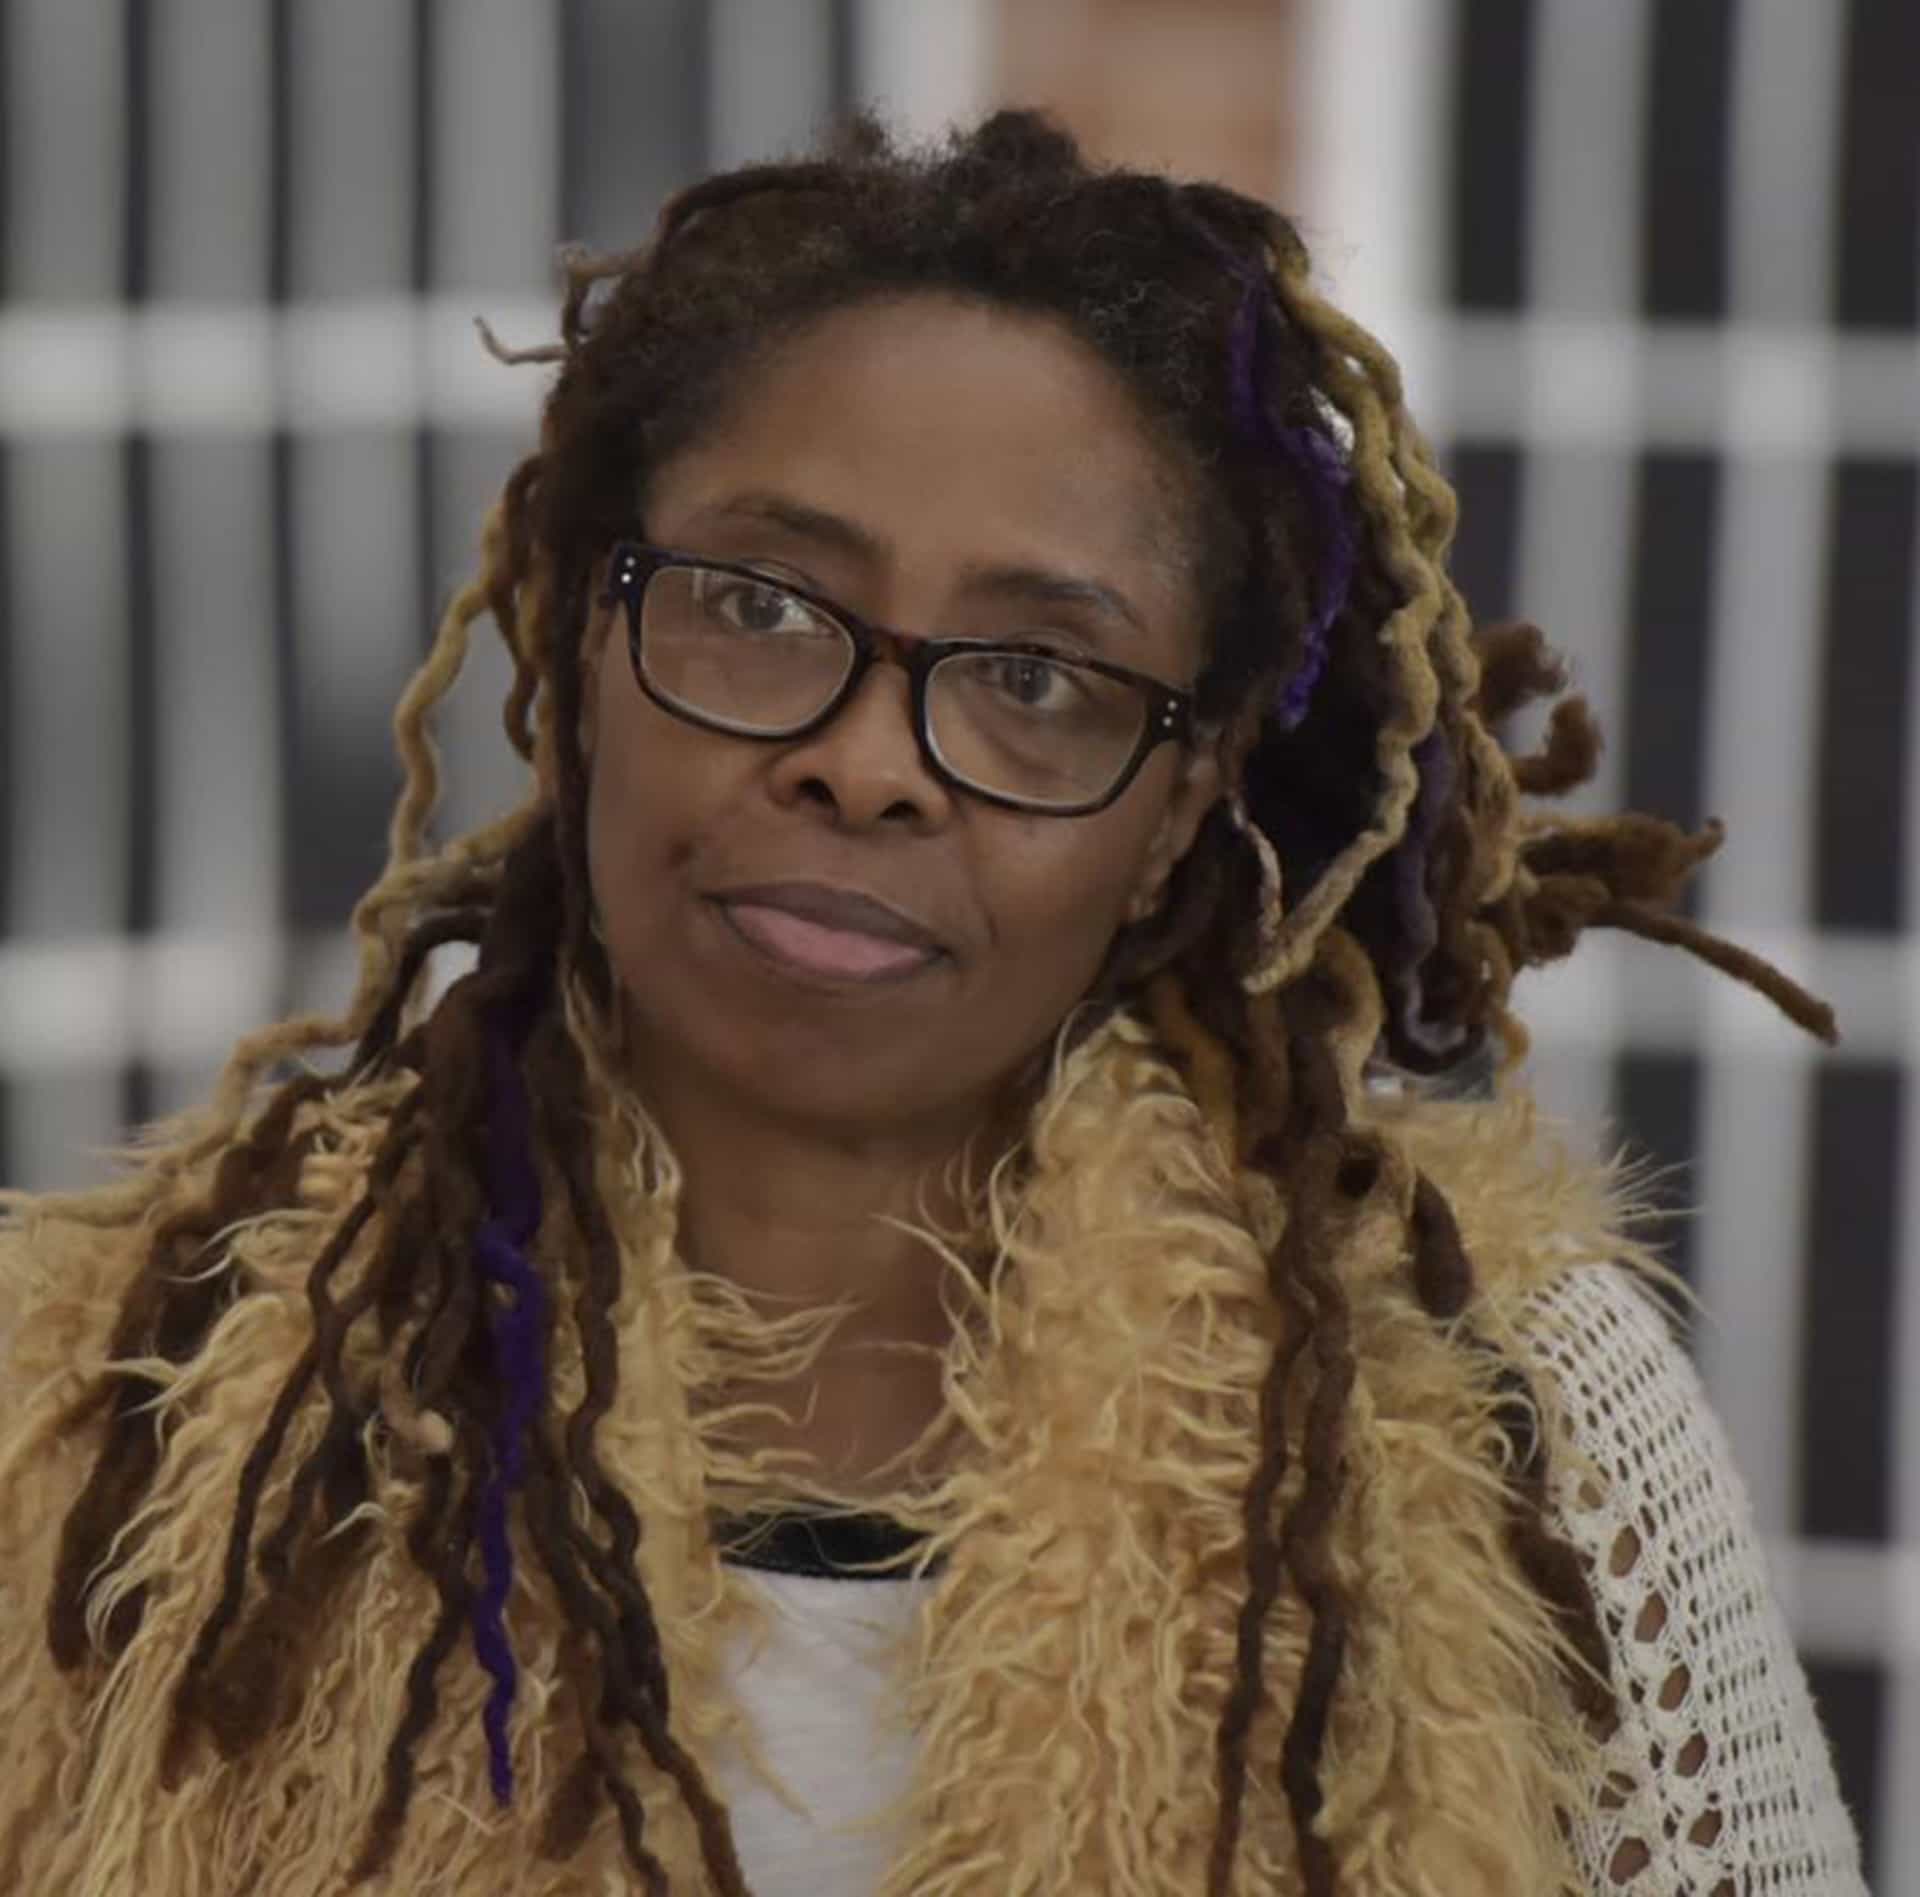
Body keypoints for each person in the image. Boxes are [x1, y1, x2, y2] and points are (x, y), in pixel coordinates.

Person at [0, 111, 1868, 1896]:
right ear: (580, 650)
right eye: (760, 604)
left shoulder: (1517, 1407)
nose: (870, 761)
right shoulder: (85, 1419)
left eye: (1037, 678)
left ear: (1180, 810)